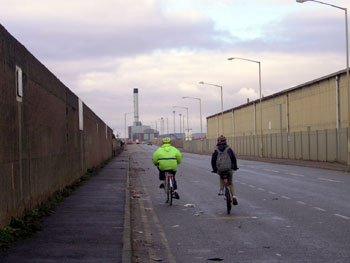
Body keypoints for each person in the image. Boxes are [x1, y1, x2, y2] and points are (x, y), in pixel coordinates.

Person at [211, 135, 239, 205]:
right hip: (229, 169)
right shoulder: (229, 149)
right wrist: (235, 167)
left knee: (221, 176)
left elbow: (213, 160)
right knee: (230, 183)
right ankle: (234, 196)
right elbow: (233, 158)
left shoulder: (216, 150)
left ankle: (221, 190)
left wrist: (214, 169)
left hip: (220, 169)